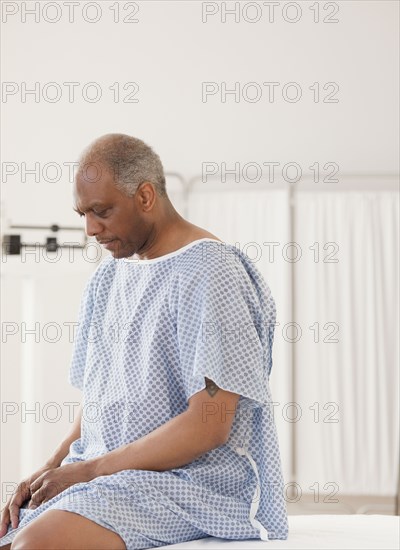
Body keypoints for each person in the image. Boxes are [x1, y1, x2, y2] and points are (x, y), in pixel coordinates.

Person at [0, 134, 288, 549]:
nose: (90, 229)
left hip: (193, 484)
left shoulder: (209, 273)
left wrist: (87, 473)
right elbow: (98, 402)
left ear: (146, 196)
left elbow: (209, 423)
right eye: (83, 214)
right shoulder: (109, 278)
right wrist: (49, 469)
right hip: (108, 477)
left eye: (101, 211)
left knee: (36, 545)